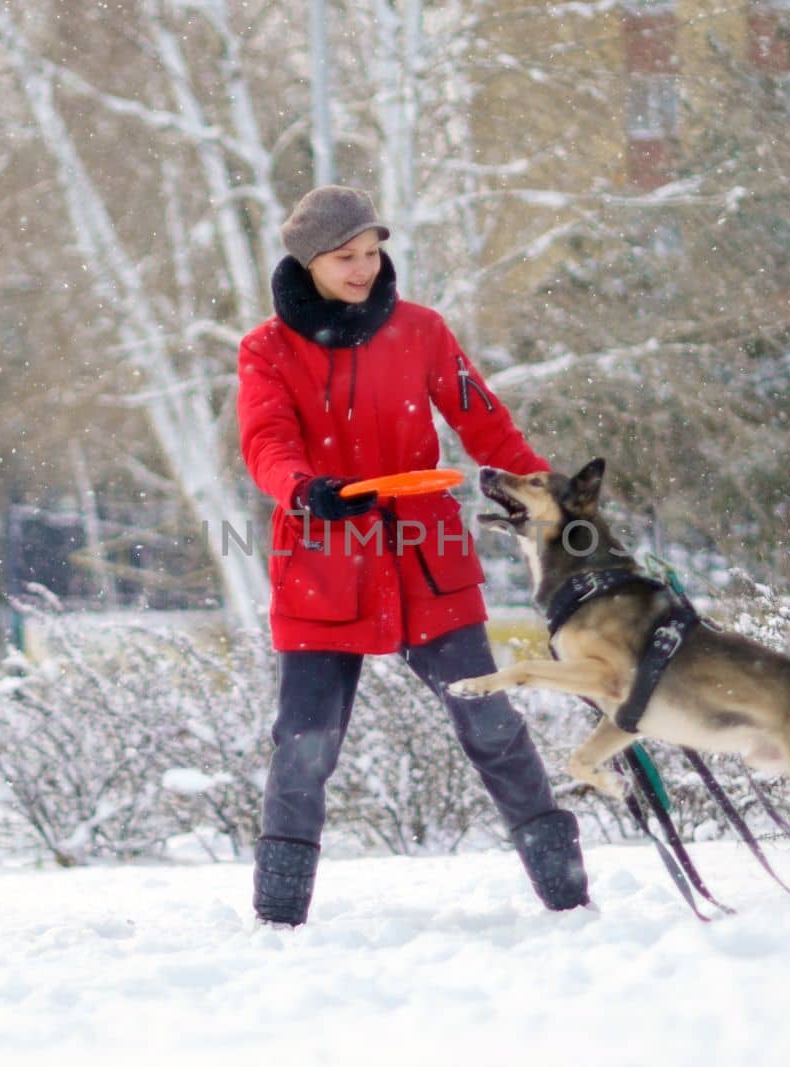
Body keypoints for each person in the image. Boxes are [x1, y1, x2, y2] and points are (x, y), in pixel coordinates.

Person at [236, 185, 590, 926]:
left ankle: (568, 897)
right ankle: (276, 921)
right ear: (308, 262)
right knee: (304, 745)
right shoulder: (266, 350)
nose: (364, 269)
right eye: (345, 258)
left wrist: (550, 500)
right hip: (324, 564)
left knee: (489, 723)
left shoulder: (421, 331)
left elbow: (487, 427)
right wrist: (307, 489)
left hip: (429, 561)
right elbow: (266, 443)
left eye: (372, 253)